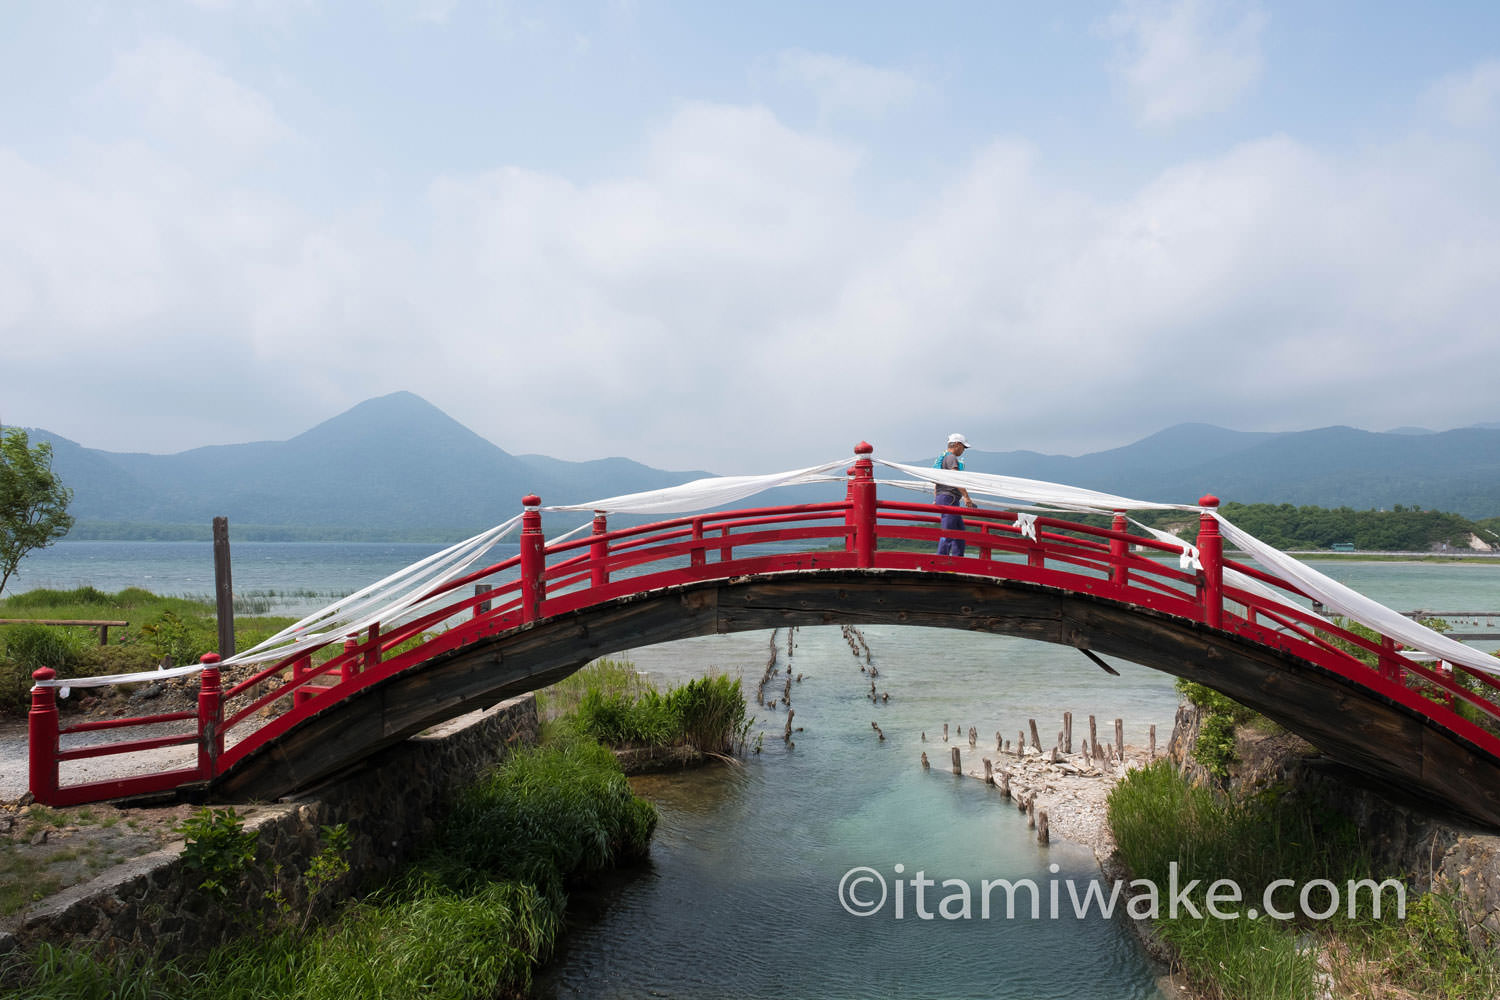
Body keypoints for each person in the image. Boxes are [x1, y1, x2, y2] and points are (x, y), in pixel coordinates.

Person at [934, 433, 978, 556]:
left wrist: (936, 497)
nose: (963, 450)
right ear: (957, 444)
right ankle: (941, 561)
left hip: (945, 497)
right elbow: (956, 479)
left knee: (959, 532)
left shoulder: (942, 458)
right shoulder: (951, 458)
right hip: (949, 498)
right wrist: (966, 497)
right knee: (948, 532)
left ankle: (958, 560)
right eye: (963, 447)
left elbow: (936, 482)